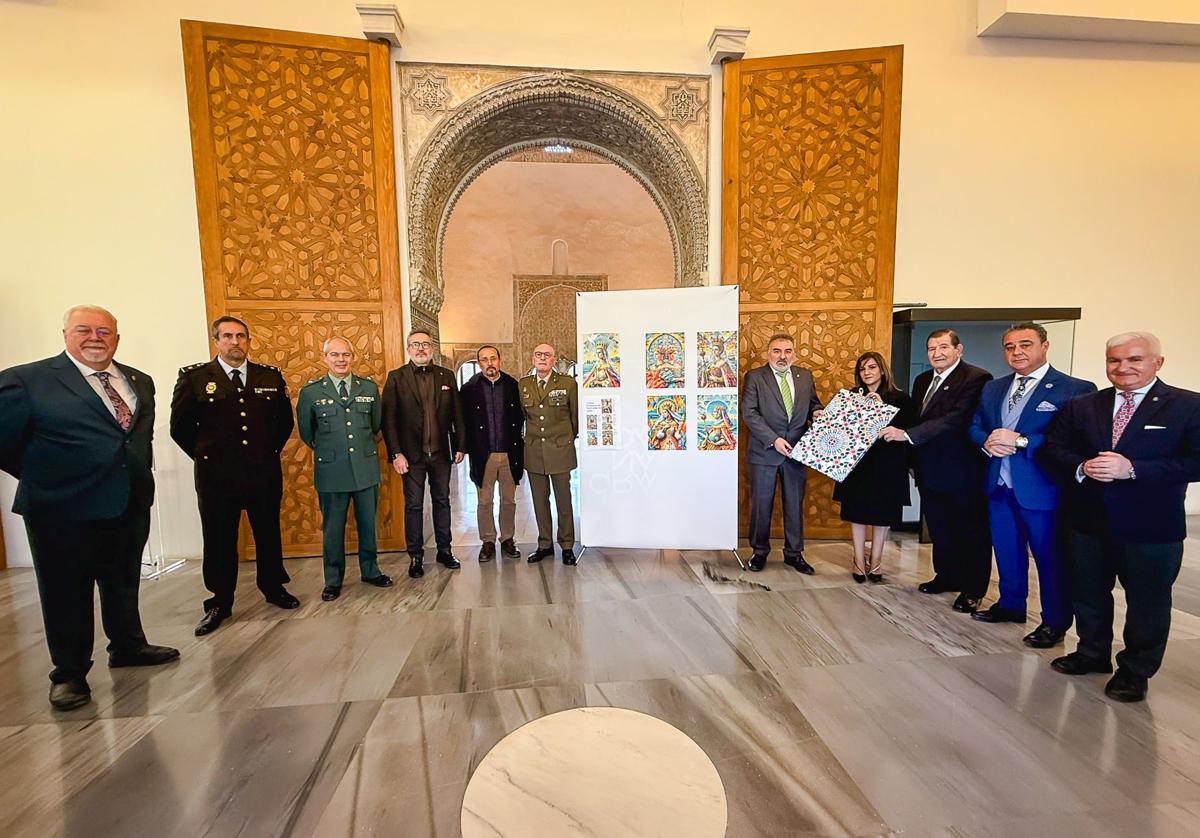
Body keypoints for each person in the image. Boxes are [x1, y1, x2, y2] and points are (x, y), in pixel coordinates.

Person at [0, 305, 180, 710]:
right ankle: (69, 673)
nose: (95, 337)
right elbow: (6, 440)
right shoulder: (28, 380)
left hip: (128, 499)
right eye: (84, 329)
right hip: (60, 508)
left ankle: (128, 646)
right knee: (66, 591)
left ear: (117, 337)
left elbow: (134, 440)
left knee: (122, 580)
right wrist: (46, 475)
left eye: (105, 331)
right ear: (66, 334)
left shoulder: (138, 381)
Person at [1038, 332, 1200, 703]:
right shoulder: (1084, 405)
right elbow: (1054, 449)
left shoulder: (1188, 406)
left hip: (1151, 526)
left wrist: (1134, 469)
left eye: (1134, 360)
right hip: (1089, 520)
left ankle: (1135, 670)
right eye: (1114, 360)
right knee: (1089, 593)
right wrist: (1081, 466)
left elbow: (1195, 461)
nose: (1123, 368)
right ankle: (1092, 653)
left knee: (1147, 601)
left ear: (1157, 362)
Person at [967, 323, 1095, 647]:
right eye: (1009, 347)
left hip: (1042, 488)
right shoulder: (994, 388)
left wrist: (1022, 440)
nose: (1017, 352)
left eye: (1025, 344)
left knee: (1050, 558)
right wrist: (986, 442)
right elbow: (976, 425)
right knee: (1007, 551)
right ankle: (1010, 605)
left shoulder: (1073, 389)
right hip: (999, 484)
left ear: (1045, 345)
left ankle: (1054, 622)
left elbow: (1073, 439)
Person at [171, 315, 299, 636]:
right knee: (219, 538)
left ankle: (273, 587)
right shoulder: (196, 378)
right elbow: (180, 427)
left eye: (241, 336)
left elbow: (284, 423)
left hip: (262, 473)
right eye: (227, 336)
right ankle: (219, 599)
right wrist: (208, 457)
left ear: (248, 341)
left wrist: (266, 453)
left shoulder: (268, 376)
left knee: (268, 533)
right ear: (217, 341)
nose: (235, 342)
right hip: (217, 478)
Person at [879, 329, 992, 613]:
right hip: (928, 468)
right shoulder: (923, 380)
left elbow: (955, 419)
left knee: (969, 530)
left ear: (959, 349)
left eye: (943, 347)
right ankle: (946, 576)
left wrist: (906, 435)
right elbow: (915, 416)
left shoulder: (976, 378)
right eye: (931, 349)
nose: (937, 353)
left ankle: (972, 589)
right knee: (940, 527)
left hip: (961, 468)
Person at [295, 336, 392, 601]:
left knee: (367, 525)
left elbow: (375, 426)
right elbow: (308, 433)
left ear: (353, 357)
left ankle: (370, 570)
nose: (341, 360)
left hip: (365, 468)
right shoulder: (311, 392)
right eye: (335, 355)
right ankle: (333, 579)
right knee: (333, 528)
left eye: (346, 355)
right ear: (324, 358)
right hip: (331, 472)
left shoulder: (369, 389)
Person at [381, 330, 465, 579]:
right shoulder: (396, 378)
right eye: (415, 345)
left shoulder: (446, 375)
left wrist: (460, 446)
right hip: (410, 456)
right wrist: (396, 453)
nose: (421, 349)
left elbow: (458, 415)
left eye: (425, 344)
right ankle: (415, 555)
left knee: (442, 502)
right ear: (408, 349)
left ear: (432, 348)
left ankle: (444, 550)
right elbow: (389, 420)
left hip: (440, 454)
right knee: (414, 505)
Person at [833, 351, 918, 583]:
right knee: (857, 514)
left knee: (882, 515)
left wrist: (882, 410)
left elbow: (907, 432)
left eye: (871, 367)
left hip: (887, 464)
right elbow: (842, 428)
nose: (867, 373)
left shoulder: (900, 398)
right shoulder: (853, 395)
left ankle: (877, 561)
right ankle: (859, 561)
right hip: (857, 464)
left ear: (882, 369)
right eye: (862, 369)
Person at [742, 332, 823, 573]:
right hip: (764, 452)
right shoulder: (755, 377)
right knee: (761, 505)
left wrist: (817, 412)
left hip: (797, 452)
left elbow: (813, 404)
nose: (782, 356)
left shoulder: (805, 377)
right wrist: (774, 439)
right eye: (777, 351)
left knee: (794, 506)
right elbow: (750, 413)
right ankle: (759, 552)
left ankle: (794, 554)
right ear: (768, 353)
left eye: (787, 351)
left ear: (794, 354)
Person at [459, 345, 524, 562]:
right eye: (485, 360)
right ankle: (487, 541)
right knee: (484, 501)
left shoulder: (512, 386)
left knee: (508, 501)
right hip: (482, 455)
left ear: (500, 360)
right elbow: (462, 422)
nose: (490, 363)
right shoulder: (469, 389)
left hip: (508, 453)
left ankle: (507, 539)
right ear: (479, 363)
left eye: (493, 358)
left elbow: (522, 418)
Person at [519, 343, 579, 565]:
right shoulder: (524, 385)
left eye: (547, 355)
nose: (542, 358)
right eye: (538, 355)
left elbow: (575, 419)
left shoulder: (567, 384)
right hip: (534, 451)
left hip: (560, 450)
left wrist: (565, 440)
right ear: (532, 359)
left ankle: (566, 545)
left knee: (564, 501)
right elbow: (523, 416)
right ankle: (545, 544)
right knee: (539, 501)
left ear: (554, 360)